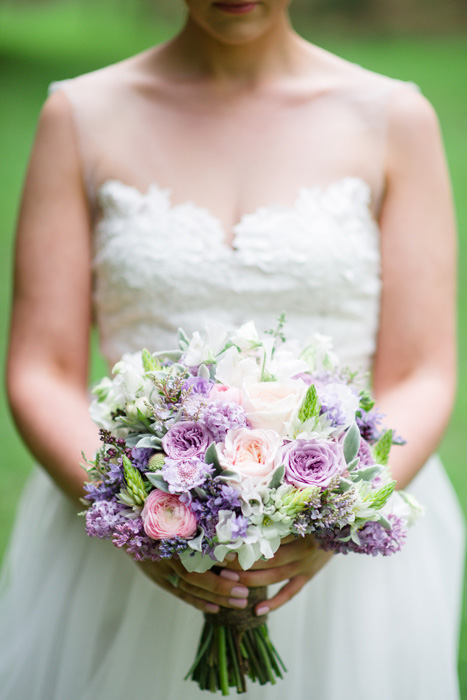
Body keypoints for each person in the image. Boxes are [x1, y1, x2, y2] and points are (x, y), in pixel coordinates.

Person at [0, 1, 464, 698]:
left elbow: (422, 370)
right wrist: (140, 518)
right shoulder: (80, 116)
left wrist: (336, 511)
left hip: (345, 551)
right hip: (124, 537)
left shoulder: (393, 118)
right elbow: (43, 368)